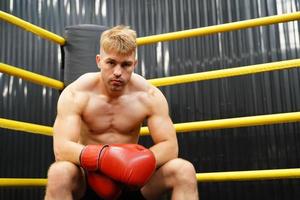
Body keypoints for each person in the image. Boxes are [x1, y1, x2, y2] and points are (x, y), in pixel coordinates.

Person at [45, 25, 199, 200]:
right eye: (111, 62)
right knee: (59, 173)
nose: (118, 72)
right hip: (89, 179)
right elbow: (61, 149)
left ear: (135, 64)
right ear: (98, 61)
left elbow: (170, 147)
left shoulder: (148, 95)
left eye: (125, 65)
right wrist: (102, 159)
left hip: (133, 182)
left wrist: (132, 164)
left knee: (183, 170)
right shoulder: (77, 93)